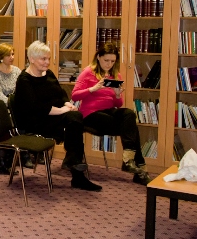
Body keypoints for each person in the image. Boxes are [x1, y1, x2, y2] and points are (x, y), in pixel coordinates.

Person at [13, 41, 102, 192]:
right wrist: (62, 111)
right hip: (35, 122)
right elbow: (36, 107)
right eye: (43, 59)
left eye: (48, 58)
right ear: (31, 59)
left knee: (75, 120)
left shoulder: (49, 74)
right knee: (75, 124)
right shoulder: (24, 80)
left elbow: (60, 93)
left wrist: (67, 103)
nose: (47, 62)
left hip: (54, 117)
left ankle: (73, 164)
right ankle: (76, 171)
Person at [71, 42, 151, 185]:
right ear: (98, 57)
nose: (109, 64)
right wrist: (93, 89)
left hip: (109, 112)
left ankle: (129, 157)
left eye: (112, 61)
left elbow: (118, 104)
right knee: (131, 129)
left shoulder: (115, 75)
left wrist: (117, 95)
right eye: (106, 60)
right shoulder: (88, 72)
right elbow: (75, 95)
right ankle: (138, 167)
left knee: (129, 114)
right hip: (90, 114)